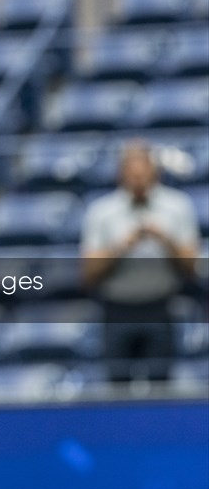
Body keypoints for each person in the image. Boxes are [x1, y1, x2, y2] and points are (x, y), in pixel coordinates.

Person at [81, 140, 200, 382]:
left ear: (155, 174)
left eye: (143, 176)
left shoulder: (178, 207)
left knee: (162, 386)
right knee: (116, 386)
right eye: (132, 176)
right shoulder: (101, 211)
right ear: (121, 175)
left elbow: (193, 266)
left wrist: (166, 240)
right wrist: (121, 247)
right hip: (116, 310)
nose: (138, 182)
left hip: (160, 307)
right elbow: (88, 273)